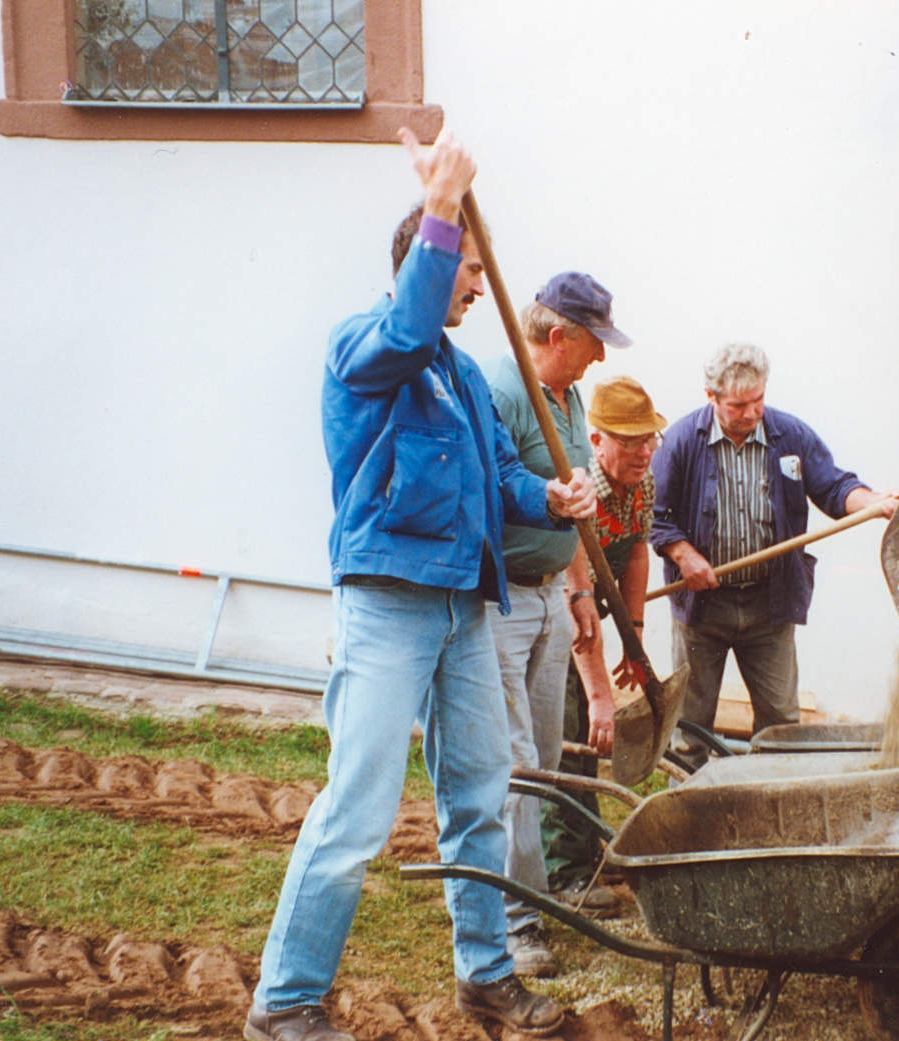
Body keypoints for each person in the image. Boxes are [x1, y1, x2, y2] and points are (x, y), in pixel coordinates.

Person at [245, 128, 595, 1041]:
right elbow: (406, 324)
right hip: (386, 602)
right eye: (466, 269)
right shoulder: (368, 344)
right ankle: (286, 1000)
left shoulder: (462, 374)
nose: (478, 286)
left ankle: (487, 977)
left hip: (462, 609)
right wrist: (443, 205)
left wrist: (552, 496)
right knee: (357, 807)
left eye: (476, 269)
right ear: (425, 264)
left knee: (479, 793)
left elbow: (496, 481)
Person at [650, 343, 898, 772]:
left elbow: (835, 487)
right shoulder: (680, 442)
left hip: (770, 605)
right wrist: (682, 552)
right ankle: (687, 825)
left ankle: (774, 807)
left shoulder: (790, 435)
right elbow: (655, 515)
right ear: (710, 396)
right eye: (739, 405)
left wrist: (874, 501)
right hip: (702, 609)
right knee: (690, 731)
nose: (751, 413)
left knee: (783, 727)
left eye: (759, 400)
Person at [480, 272, 631, 976]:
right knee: (513, 764)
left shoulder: (568, 398)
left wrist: (575, 594)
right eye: (594, 341)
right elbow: (493, 487)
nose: (602, 357)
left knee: (539, 761)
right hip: (502, 600)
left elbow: (573, 507)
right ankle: (516, 924)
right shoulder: (502, 392)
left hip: (548, 597)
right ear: (558, 335)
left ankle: (531, 892)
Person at [541, 376, 666, 909]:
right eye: (632, 440)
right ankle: (562, 872)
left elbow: (637, 552)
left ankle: (589, 851)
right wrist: (600, 696)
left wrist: (634, 638)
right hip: (559, 615)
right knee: (571, 739)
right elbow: (580, 606)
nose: (646, 450)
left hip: (593, 605)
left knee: (592, 745)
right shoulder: (581, 488)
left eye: (650, 438)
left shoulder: (642, 481)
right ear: (597, 440)